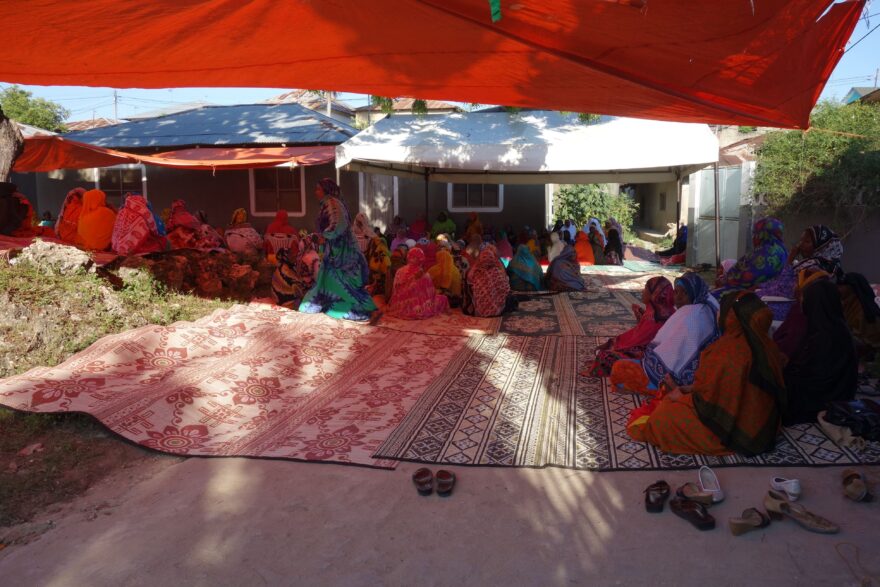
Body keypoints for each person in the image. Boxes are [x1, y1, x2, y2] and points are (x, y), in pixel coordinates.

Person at [627, 292, 787, 457]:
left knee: (662, 418)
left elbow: (709, 404)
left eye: (722, 310)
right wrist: (686, 389)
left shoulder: (726, 351)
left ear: (732, 318)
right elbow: (728, 390)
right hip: (763, 426)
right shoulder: (769, 346)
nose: (718, 314)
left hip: (734, 429)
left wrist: (680, 396)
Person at [610, 272, 719, 395]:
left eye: (684, 293)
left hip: (673, 379)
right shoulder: (707, 309)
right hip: (701, 378)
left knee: (619, 368)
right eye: (676, 292)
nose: (677, 298)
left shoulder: (690, 316)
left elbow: (666, 356)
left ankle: (660, 390)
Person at [781, 275, 857, 425]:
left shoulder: (825, 334)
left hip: (822, 398)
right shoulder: (833, 325)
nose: (803, 302)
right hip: (840, 392)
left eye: (806, 298)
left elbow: (814, 376)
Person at [299, 179, 377, 321]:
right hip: (336, 250)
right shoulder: (329, 203)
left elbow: (338, 224)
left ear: (326, 190)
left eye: (318, 189)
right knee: (333, 280)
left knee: (344, 282)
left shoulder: (332, 203)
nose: (315, 192)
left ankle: (351, 308)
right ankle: (334, 304)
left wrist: (324, 236)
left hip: (342, 251)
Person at [585, 276, 675, 377]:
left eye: (646, 288)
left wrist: (615, 347)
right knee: (607, 349)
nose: (643, 291)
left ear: (654, 294)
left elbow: (636, 342)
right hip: (660, 357)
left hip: (650, 359)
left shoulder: (653, 317)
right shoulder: (669, 312)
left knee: (604, 356)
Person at [715, 217, 787, 292]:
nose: (753, 237)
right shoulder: (782, 251)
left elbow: (748, 277)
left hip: (750, 296)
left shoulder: (766, 252)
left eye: (755, 233)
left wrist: (725, 280)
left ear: (762, 234)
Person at [388, 247, 449, 319]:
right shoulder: (424, 274)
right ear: (421, 259)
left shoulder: (399, 271)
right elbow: (431, 295)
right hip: (418, 308)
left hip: (397, 306)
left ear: (408, 257)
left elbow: (395, 290)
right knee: (443, 298)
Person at [463, 246, 513, 317]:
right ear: (492, 258)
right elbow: (506, 289)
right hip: (498, 309)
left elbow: (469, 288)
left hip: (479, 309)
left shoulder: (475, 273)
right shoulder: (498, 272)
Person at [271, 240, 317, 310]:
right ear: (286, 256)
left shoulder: (282, 266)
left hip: (277, 298)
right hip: (286, 302)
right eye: (291, 254)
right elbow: (300, 293)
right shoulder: (287, 272)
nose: (295, 255)